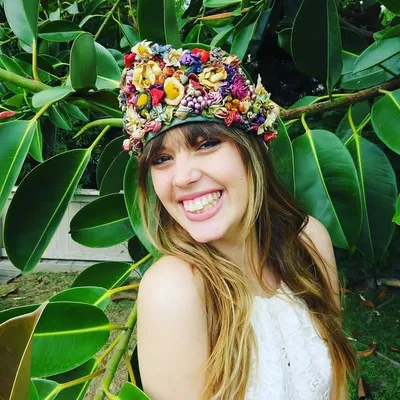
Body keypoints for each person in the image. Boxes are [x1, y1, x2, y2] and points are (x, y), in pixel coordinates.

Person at [119, 41, 358, 400]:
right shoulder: (173, 290)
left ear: (252, 151)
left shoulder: (310, 240)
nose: (182, 177)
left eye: (206, 144)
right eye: (162, 159)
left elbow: (338, 387)